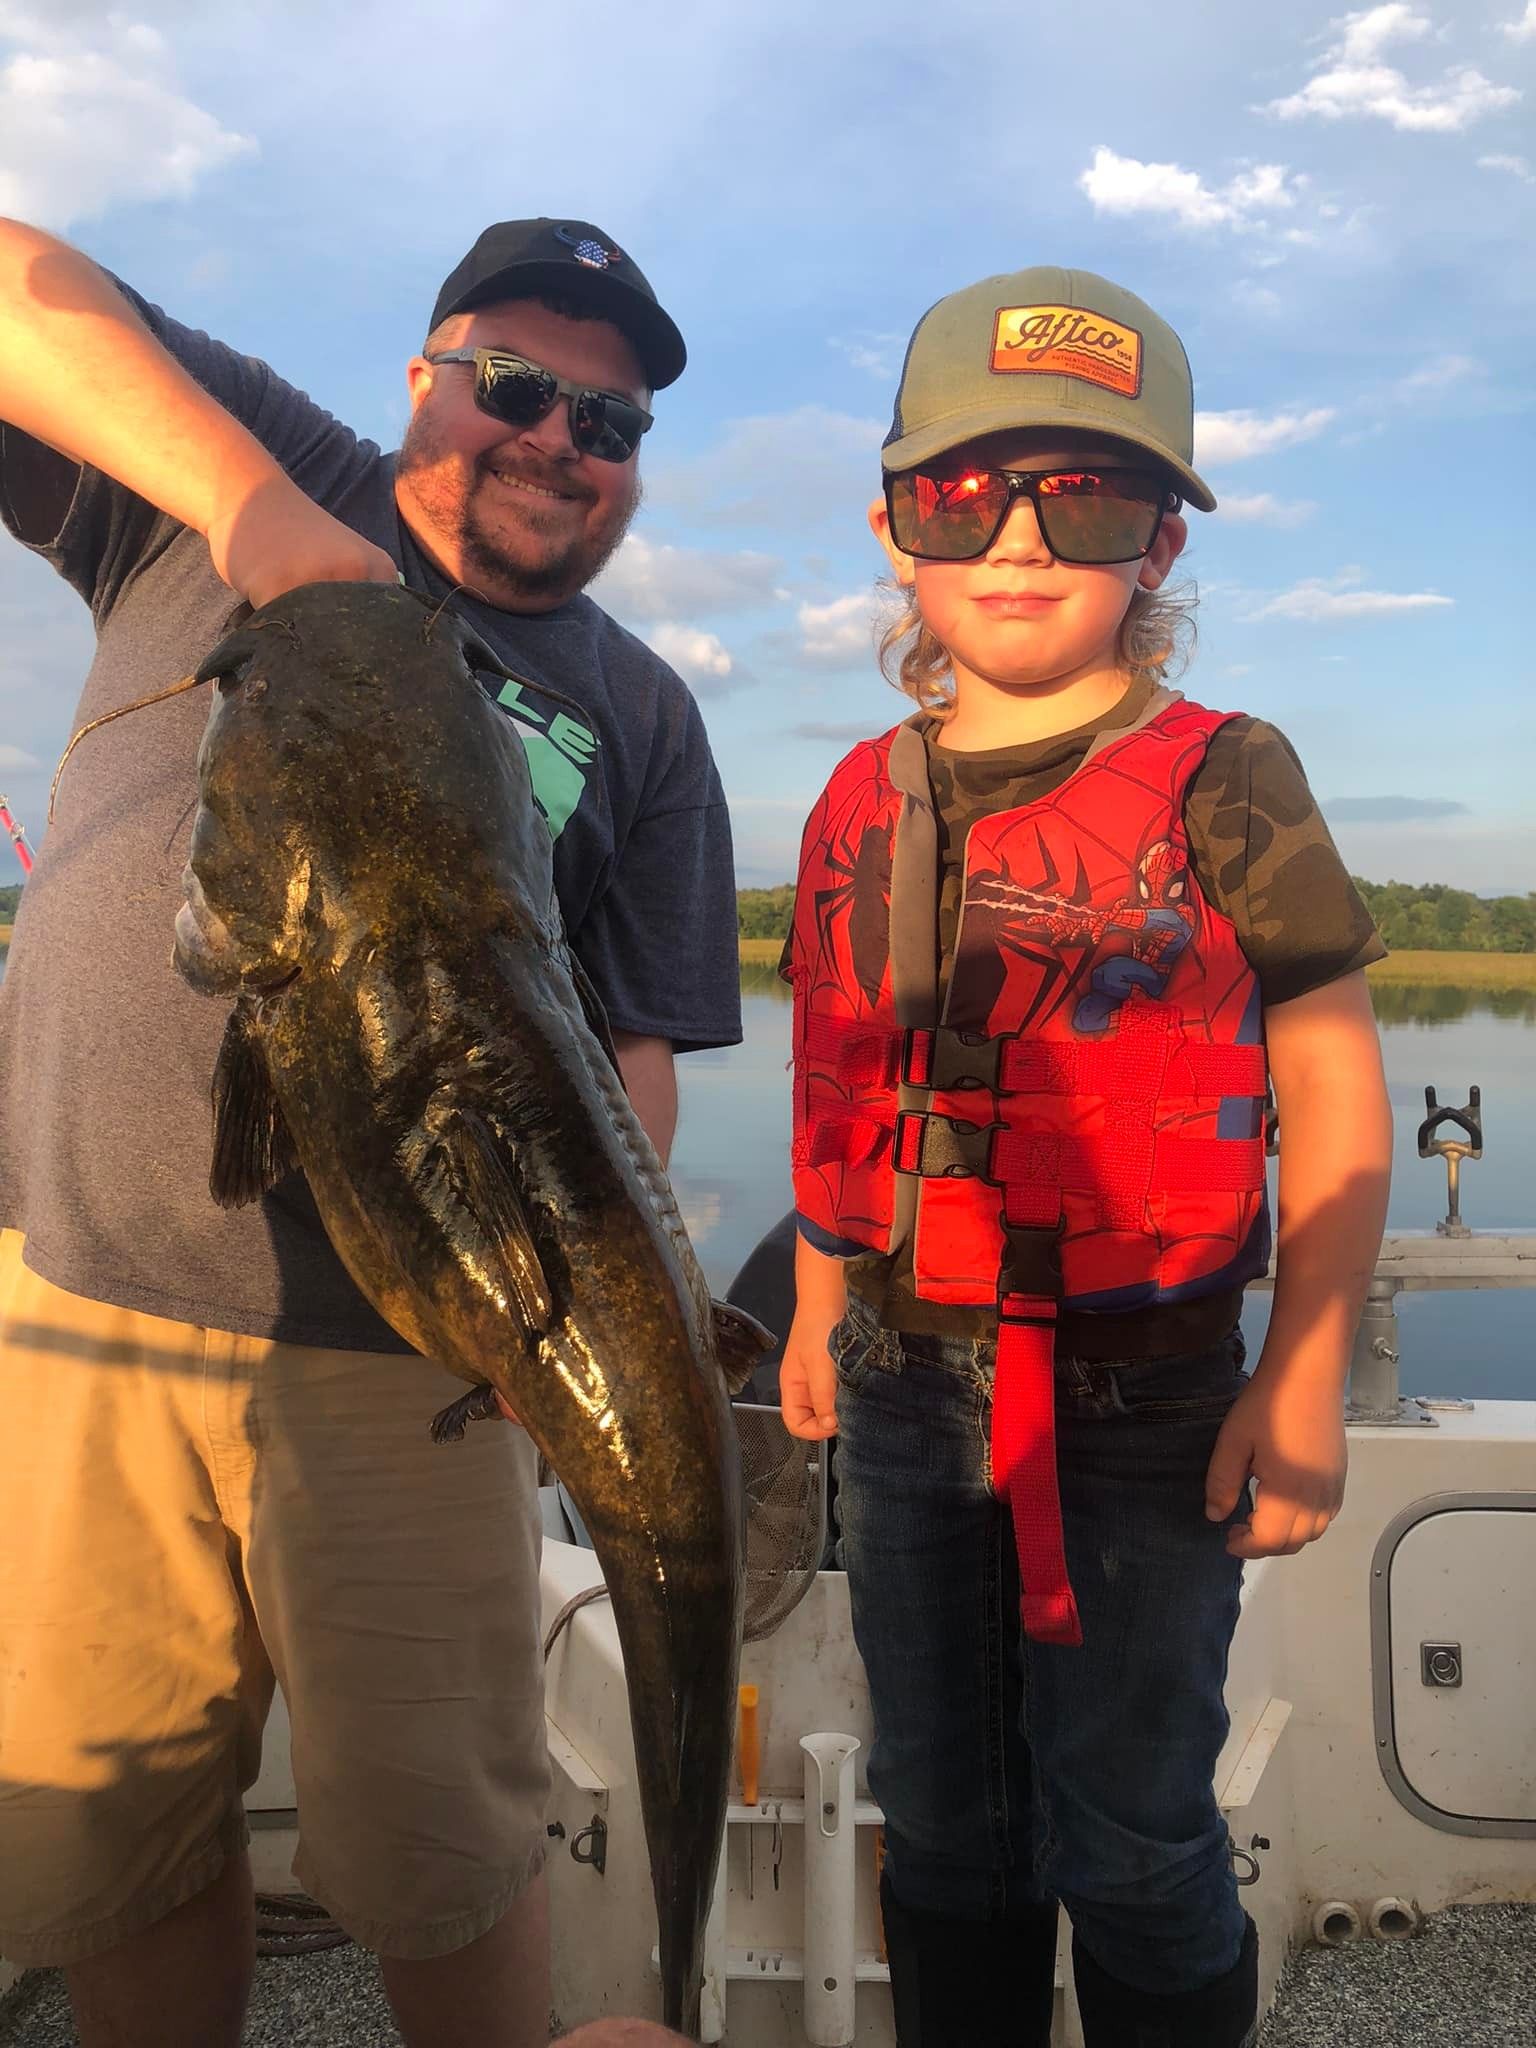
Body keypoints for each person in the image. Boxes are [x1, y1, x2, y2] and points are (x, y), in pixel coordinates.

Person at [0, 216, 740, 2048]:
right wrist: (270, 532)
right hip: (79, 1303)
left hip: (411, 1360)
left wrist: (581, 1318)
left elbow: (635, 1056)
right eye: (518, 386)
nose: (563, 438)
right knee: (117, 1839)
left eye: (613, 421)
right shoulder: (240, 477)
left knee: (442, 1845)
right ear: (425, 377)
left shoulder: (642, 712)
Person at [777, 266, 1393, 2047]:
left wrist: (1305, 1372)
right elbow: (841, 1083)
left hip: (1144, 1405)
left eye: (1092, 493)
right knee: (951, 1833)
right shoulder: (848, 801)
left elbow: (1333, 1082)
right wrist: (821, 1299)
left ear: (1163, 549)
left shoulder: (1231, 773)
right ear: (901, 528)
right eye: (966, 494)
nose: (1023, 537)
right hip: (904, 1384)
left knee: (1130, 1838)